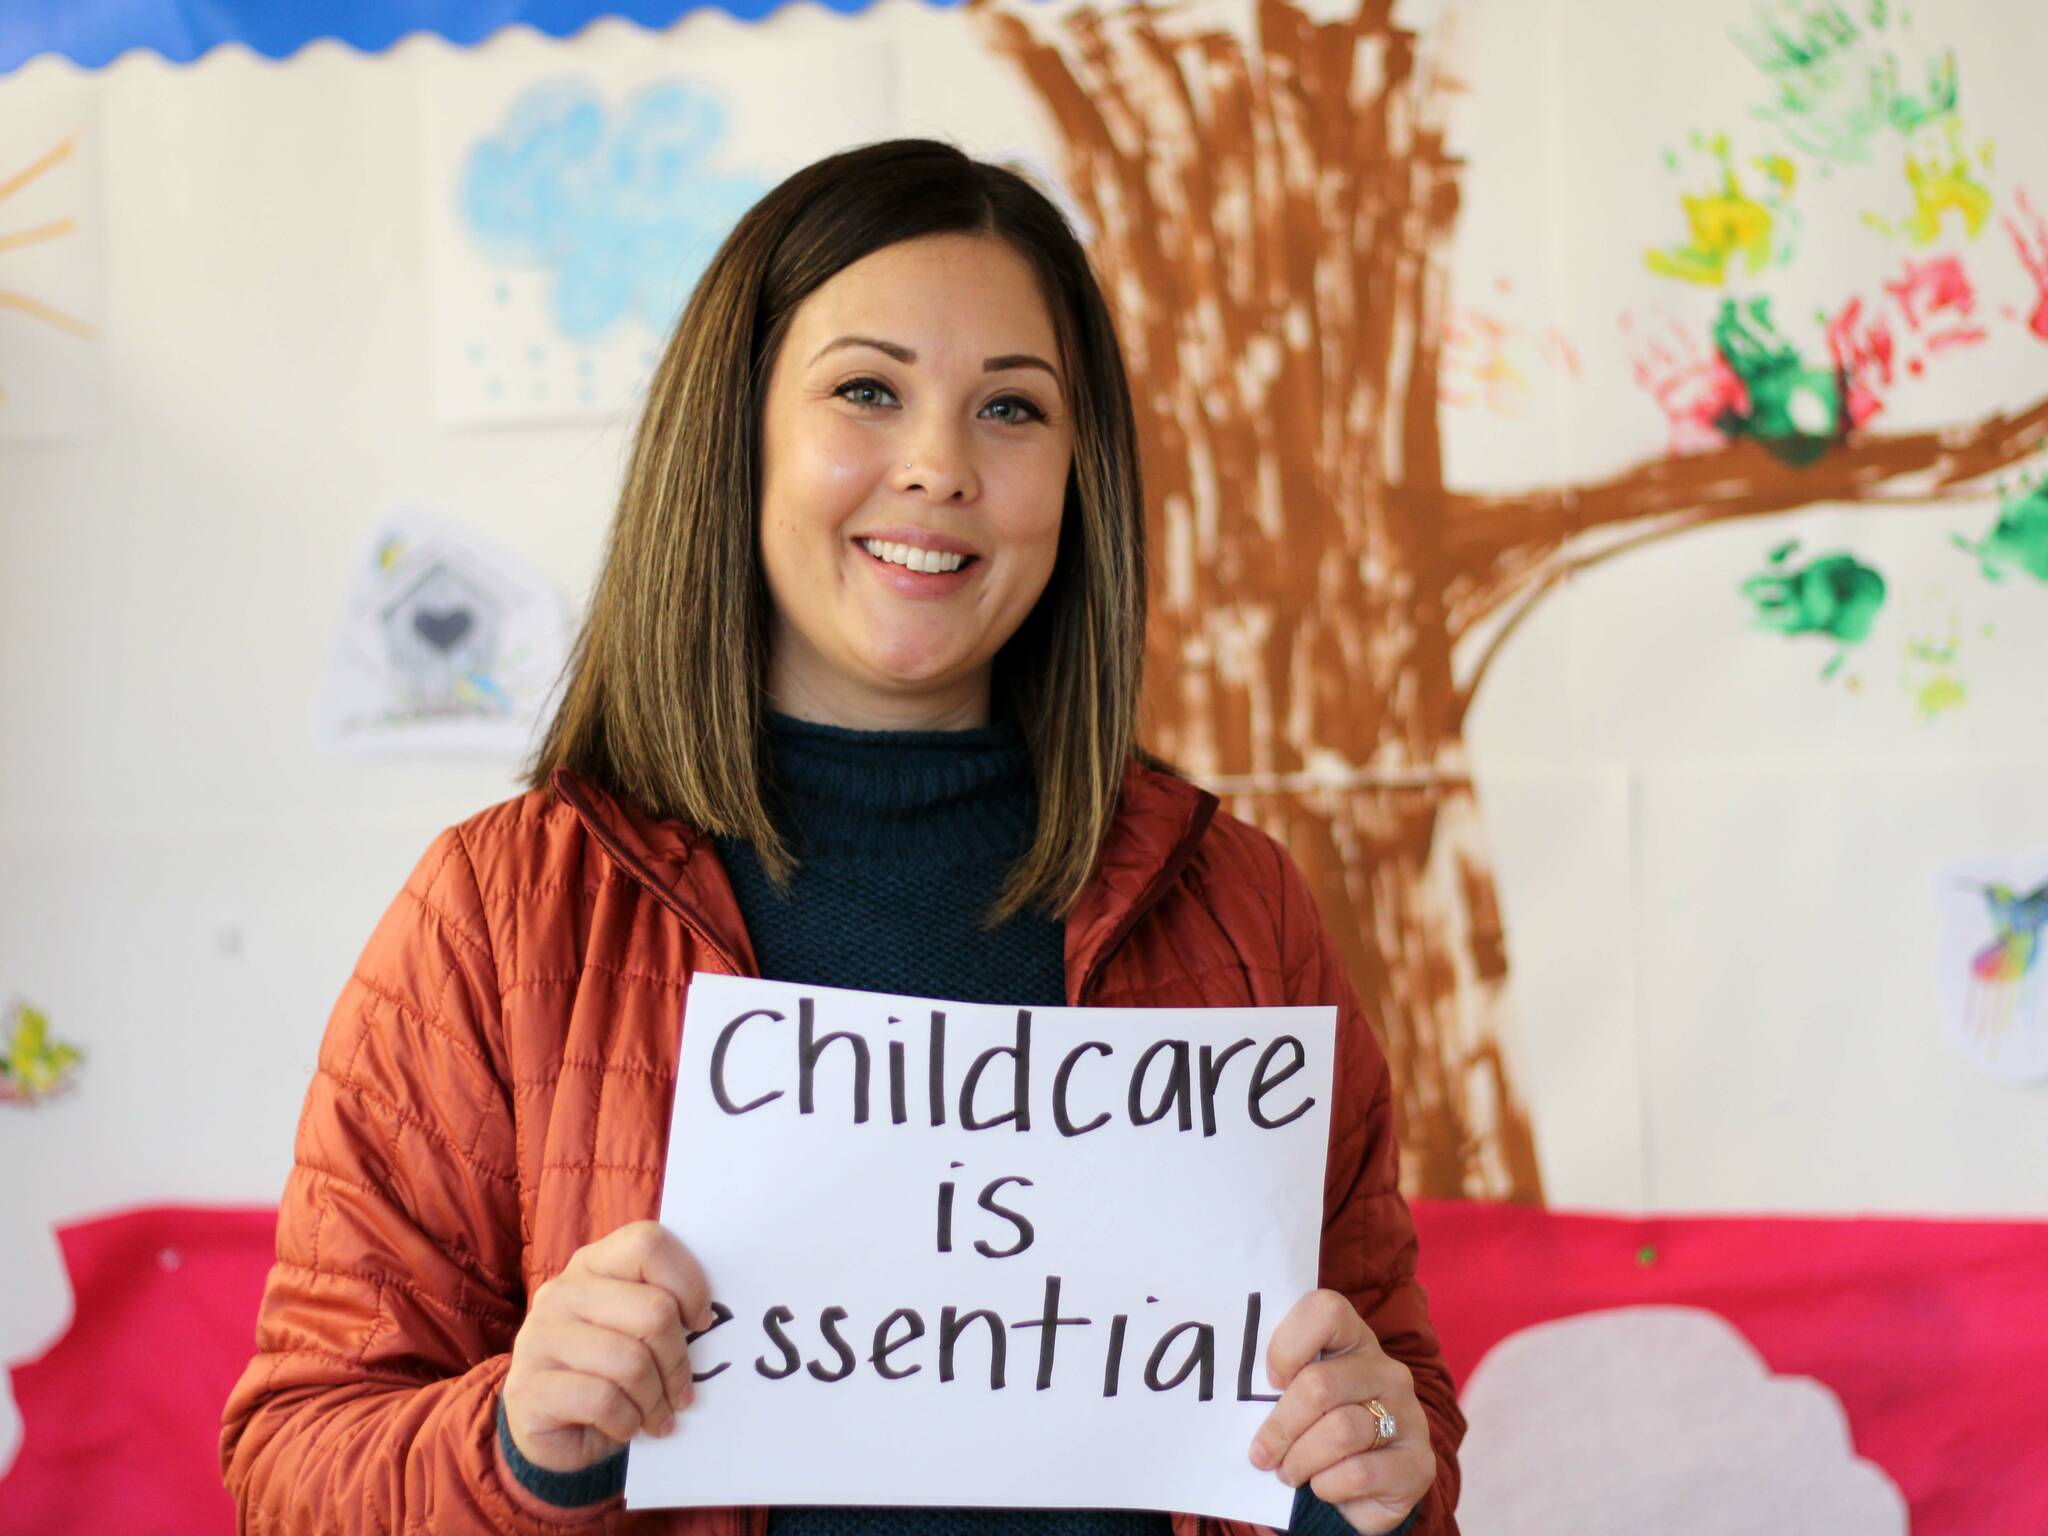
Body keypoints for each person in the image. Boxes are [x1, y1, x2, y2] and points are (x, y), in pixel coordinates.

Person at [220, 138, 1463, 1536]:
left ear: (1078, 476)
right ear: (737, 431)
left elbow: (1385, 1408)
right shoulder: (500, 911)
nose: (938, 467)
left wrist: (1374, 1478)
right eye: (868, 392)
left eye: (1012, 409)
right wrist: (519, 1442)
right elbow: (293, 1464)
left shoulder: (1240, 906)